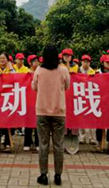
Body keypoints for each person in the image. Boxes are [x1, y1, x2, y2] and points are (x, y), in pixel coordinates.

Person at [32, 45, 70, 186]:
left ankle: (43, 175)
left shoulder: (39, 70)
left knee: (43, 144)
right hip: (59, 112)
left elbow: (34, 87)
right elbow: (67, 86)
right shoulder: (63, 70)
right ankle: (58, 175)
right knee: (58, 144)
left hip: (42, 111)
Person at [0, 53, 16, 152]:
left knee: (9, 121)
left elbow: (15, 78)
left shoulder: (11, 69)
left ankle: (7, 143)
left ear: (8, 60)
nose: (2, 60)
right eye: (0, 58)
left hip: (8, 98)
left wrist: (10, 69)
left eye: (4, 58)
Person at [24, 55, 40, 152]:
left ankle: (38, 143)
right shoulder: (26, 72)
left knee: (38, 122)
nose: (36, 63)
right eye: (34, 61)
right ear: (30, 63)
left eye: (37, 61)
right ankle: (27, 142)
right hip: (28, 100)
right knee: (28, 122)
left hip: (38, 100)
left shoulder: (41, 71)